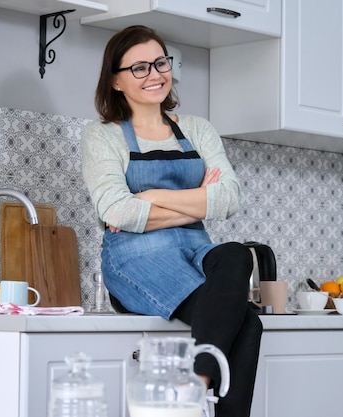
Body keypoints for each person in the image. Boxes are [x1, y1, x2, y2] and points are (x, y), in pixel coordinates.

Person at [81, 25, 262, 417]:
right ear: (116, 80)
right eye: (140, 67)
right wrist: (199, 201)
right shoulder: (103, 137)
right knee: (247, 324)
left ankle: (195, 390)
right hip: (135, 258)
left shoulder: (197, 129)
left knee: (236, 254)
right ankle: (197, 392)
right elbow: (117, 212)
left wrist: (152, 198)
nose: (154, 74)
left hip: (196, 248)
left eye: (160, 62)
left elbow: (229, 199)